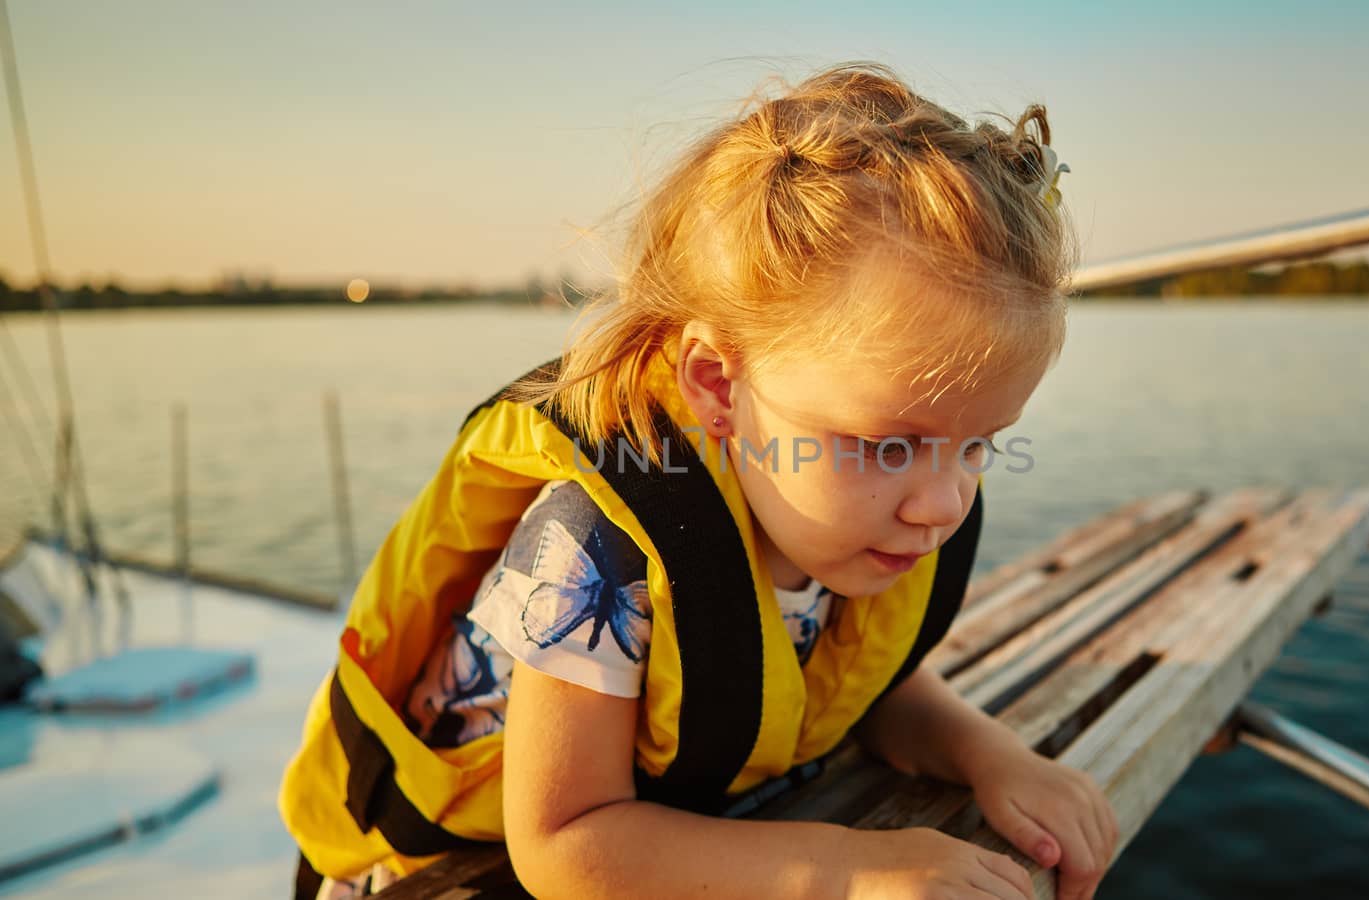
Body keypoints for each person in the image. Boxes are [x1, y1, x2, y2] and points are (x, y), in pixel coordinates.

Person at [280, 62, 1117, 900]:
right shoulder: (596, 548)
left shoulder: (845, 519)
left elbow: (858, 686)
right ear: (718, 385)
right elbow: (565, 842)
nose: (944, 503)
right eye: (888, 445)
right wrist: (849, 873)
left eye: (981, 446)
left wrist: (992, 757)